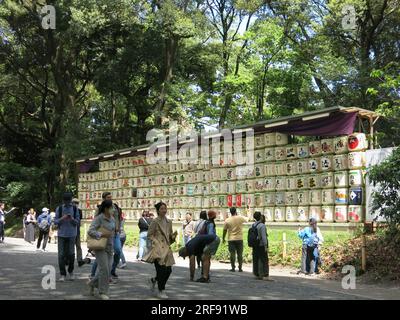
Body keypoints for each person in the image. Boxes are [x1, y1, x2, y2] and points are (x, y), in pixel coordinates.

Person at [144, 202, 177, 299]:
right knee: (161, 271)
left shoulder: (169, 222)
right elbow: (150, 235)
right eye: (162, 208)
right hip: (158, 249)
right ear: (158, 210)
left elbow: (169, 236)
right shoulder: (155, 221)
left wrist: (173, 236)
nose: (164, 210)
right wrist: (156, 242)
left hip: (166, 249)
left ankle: (154, 280)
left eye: (165, 208)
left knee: (168, 271)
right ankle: (161, 290)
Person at [87, 200, 115, 300]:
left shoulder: (112, 219)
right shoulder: (99, 218)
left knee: (107, 269)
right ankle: (103, 292)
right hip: (100, 247)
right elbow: (90, 231)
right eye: (111, 207)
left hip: (109, 247)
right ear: (106, 208)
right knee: (105, 269)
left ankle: (92, 283)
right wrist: (102, 234)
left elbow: (112, 233)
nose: (113, 209)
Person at [54, 192, 80, 282]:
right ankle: (62, 274)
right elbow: (55, 221)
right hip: (61, 234)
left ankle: (71, 271)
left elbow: (77, 222)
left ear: (71, 200)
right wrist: (63, 218)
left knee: (71, 254)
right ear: (63, 200)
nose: (67, 203)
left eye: (68, 201)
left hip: (72, 234)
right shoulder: (59, 208)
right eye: (66, 201)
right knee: (61, 255)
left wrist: (72, 219)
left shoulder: (75, 209)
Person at [196, 210, 220, 283]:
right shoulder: (211, 223)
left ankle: (205, 276)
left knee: (205, 258)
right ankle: (206, 275)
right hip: (211, 241)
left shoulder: (208, 223)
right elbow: (211, 234)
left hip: (208, 242)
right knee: (206, 258)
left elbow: (210, 234)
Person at [222, 207, 247, 272]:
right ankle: (240, 268)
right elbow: (247, 219)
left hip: (231, 239)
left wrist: (223, 238)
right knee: (240, 254)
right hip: (239, 239)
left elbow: (224, 230)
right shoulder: (240, 218)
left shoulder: (227, 220)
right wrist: (247, 211)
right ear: (236, 211)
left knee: (232, 254)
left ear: (230, 212)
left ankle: (233, 267)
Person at [251, 211, 271, 280]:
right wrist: (266, 246)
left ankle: (256, 274)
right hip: (261, 245)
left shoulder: (253, 225)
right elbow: (264, 237)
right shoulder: (262, 226)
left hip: (255, 245)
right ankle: (265, 275)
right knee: (264, 260)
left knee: (256, 259)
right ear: (260, 217)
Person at [72, 198, 85, 267]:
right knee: (70, 246)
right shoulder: (69, 210)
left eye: (77, 203)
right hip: (70, 231)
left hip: (77, 230)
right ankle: (68, 260)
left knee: (78, 246)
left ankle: (80, 260)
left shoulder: (79, 211)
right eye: (74, 202)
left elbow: (79, 220)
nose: (76, 204)